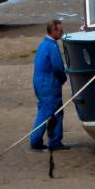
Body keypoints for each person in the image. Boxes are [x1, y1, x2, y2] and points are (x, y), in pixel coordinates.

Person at [30, 18, 68, 151]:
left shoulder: (42, 44)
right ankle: (50, 141)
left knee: (45, 109)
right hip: (48, 84)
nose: (62, 33)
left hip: (39, 82)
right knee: (55, 111)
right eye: (60, 30)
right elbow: (57, 66)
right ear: (54, 31)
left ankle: (42, 140)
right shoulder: (51, 46)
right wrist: (63, 78)